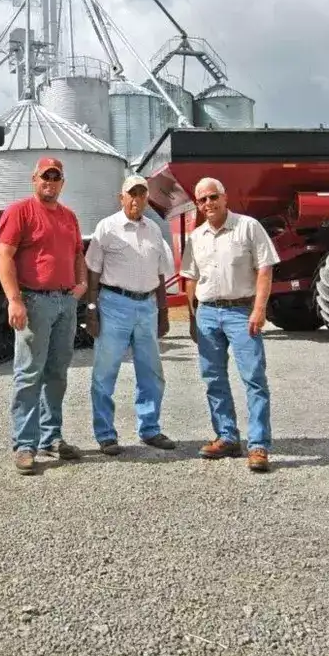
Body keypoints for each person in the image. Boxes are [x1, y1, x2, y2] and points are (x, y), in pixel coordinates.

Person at [0, 157, 87, 475]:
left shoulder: (69, 217)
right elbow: (3, 254)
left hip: (65, 302)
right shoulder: (20, 211)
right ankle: (25, 445)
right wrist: (14, 300)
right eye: (44, 176)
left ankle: (51, 437)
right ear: (34, 179)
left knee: (57, 373)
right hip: (34, 302)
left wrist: (81, 285)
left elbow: (77, 253)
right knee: (29, 374)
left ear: (63, 182)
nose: (50, 181)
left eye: (56, 176)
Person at [180, 177, 280, 473]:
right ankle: (226, 437)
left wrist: (259, 309)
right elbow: (191, 278)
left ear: (225, 198)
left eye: (213, 197)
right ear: (197, 205)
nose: (208, 203)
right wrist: (192, 317)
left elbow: (264, 269)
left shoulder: (248, 227)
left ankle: (259, 445)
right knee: (213, 378)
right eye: (202, 200)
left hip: (241, 312)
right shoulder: (196, 237)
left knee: (253, 378)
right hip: (207, 313)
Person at [84, 174, 176, 456]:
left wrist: (162, 312)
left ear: (147, 198)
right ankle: (106, 434)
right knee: (104, 374)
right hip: (114, 305)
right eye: (131, 194)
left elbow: (160, 274)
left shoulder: (154, 231)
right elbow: (93, 272)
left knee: (151, 373)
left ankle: (149, 429)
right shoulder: (106, 228)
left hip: (146, 306)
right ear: (121, 197)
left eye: (142, 194)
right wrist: (91, 310)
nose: (136, 199)